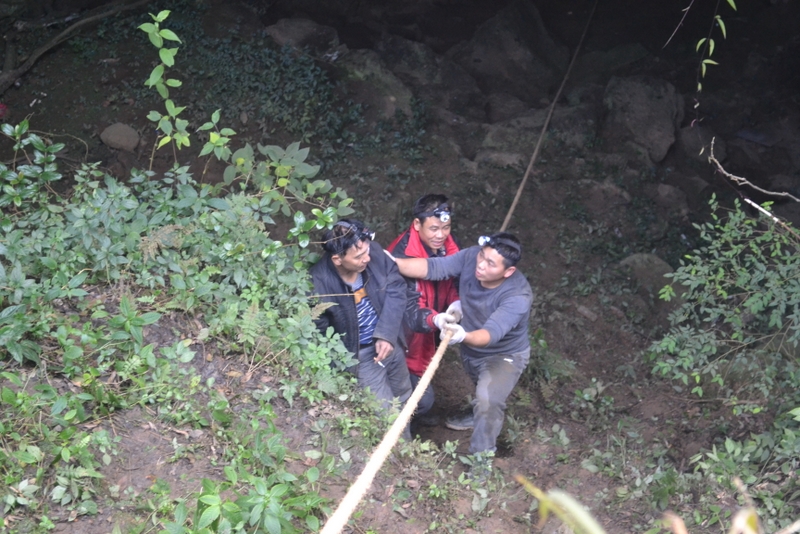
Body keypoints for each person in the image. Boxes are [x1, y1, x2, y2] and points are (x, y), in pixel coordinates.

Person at [390, 232, 533, 474]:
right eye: (482, 256)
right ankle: (476, 415)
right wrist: (392, 262)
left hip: (502, 355)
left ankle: (481, 464)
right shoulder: (470, 258)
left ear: (508, 271)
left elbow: (489, 334)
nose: (481, 265)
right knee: (481, 391)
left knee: (488, 399)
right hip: (471, 350)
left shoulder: (517, 296)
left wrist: (462, 336)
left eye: (491, 263)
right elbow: (433, 268)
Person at [309, 219, 418, 434]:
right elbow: (319, 332)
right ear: (337, 259)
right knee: (386, 415)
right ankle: (399, 450)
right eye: (358, 256)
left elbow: (397, 287)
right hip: (360, 355)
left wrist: (386, 334)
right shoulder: (319, 283)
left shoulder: (373, 253)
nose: (367, 258)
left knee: (405, 396)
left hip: (389, 342)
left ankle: (410, 445)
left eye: (367, 251)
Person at [387, 194, 461, 426]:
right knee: (422, 402)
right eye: (434, 229)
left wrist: (457, 302)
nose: (441, 235)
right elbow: (409, 311)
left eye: (446, 228)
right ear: (417, 224)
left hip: (429, 334)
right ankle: (401, 419)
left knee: (423, 394)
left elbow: (455, 280)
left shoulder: (448, 247)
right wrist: (435, 320)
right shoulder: (401, 256)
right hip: (404, 339)